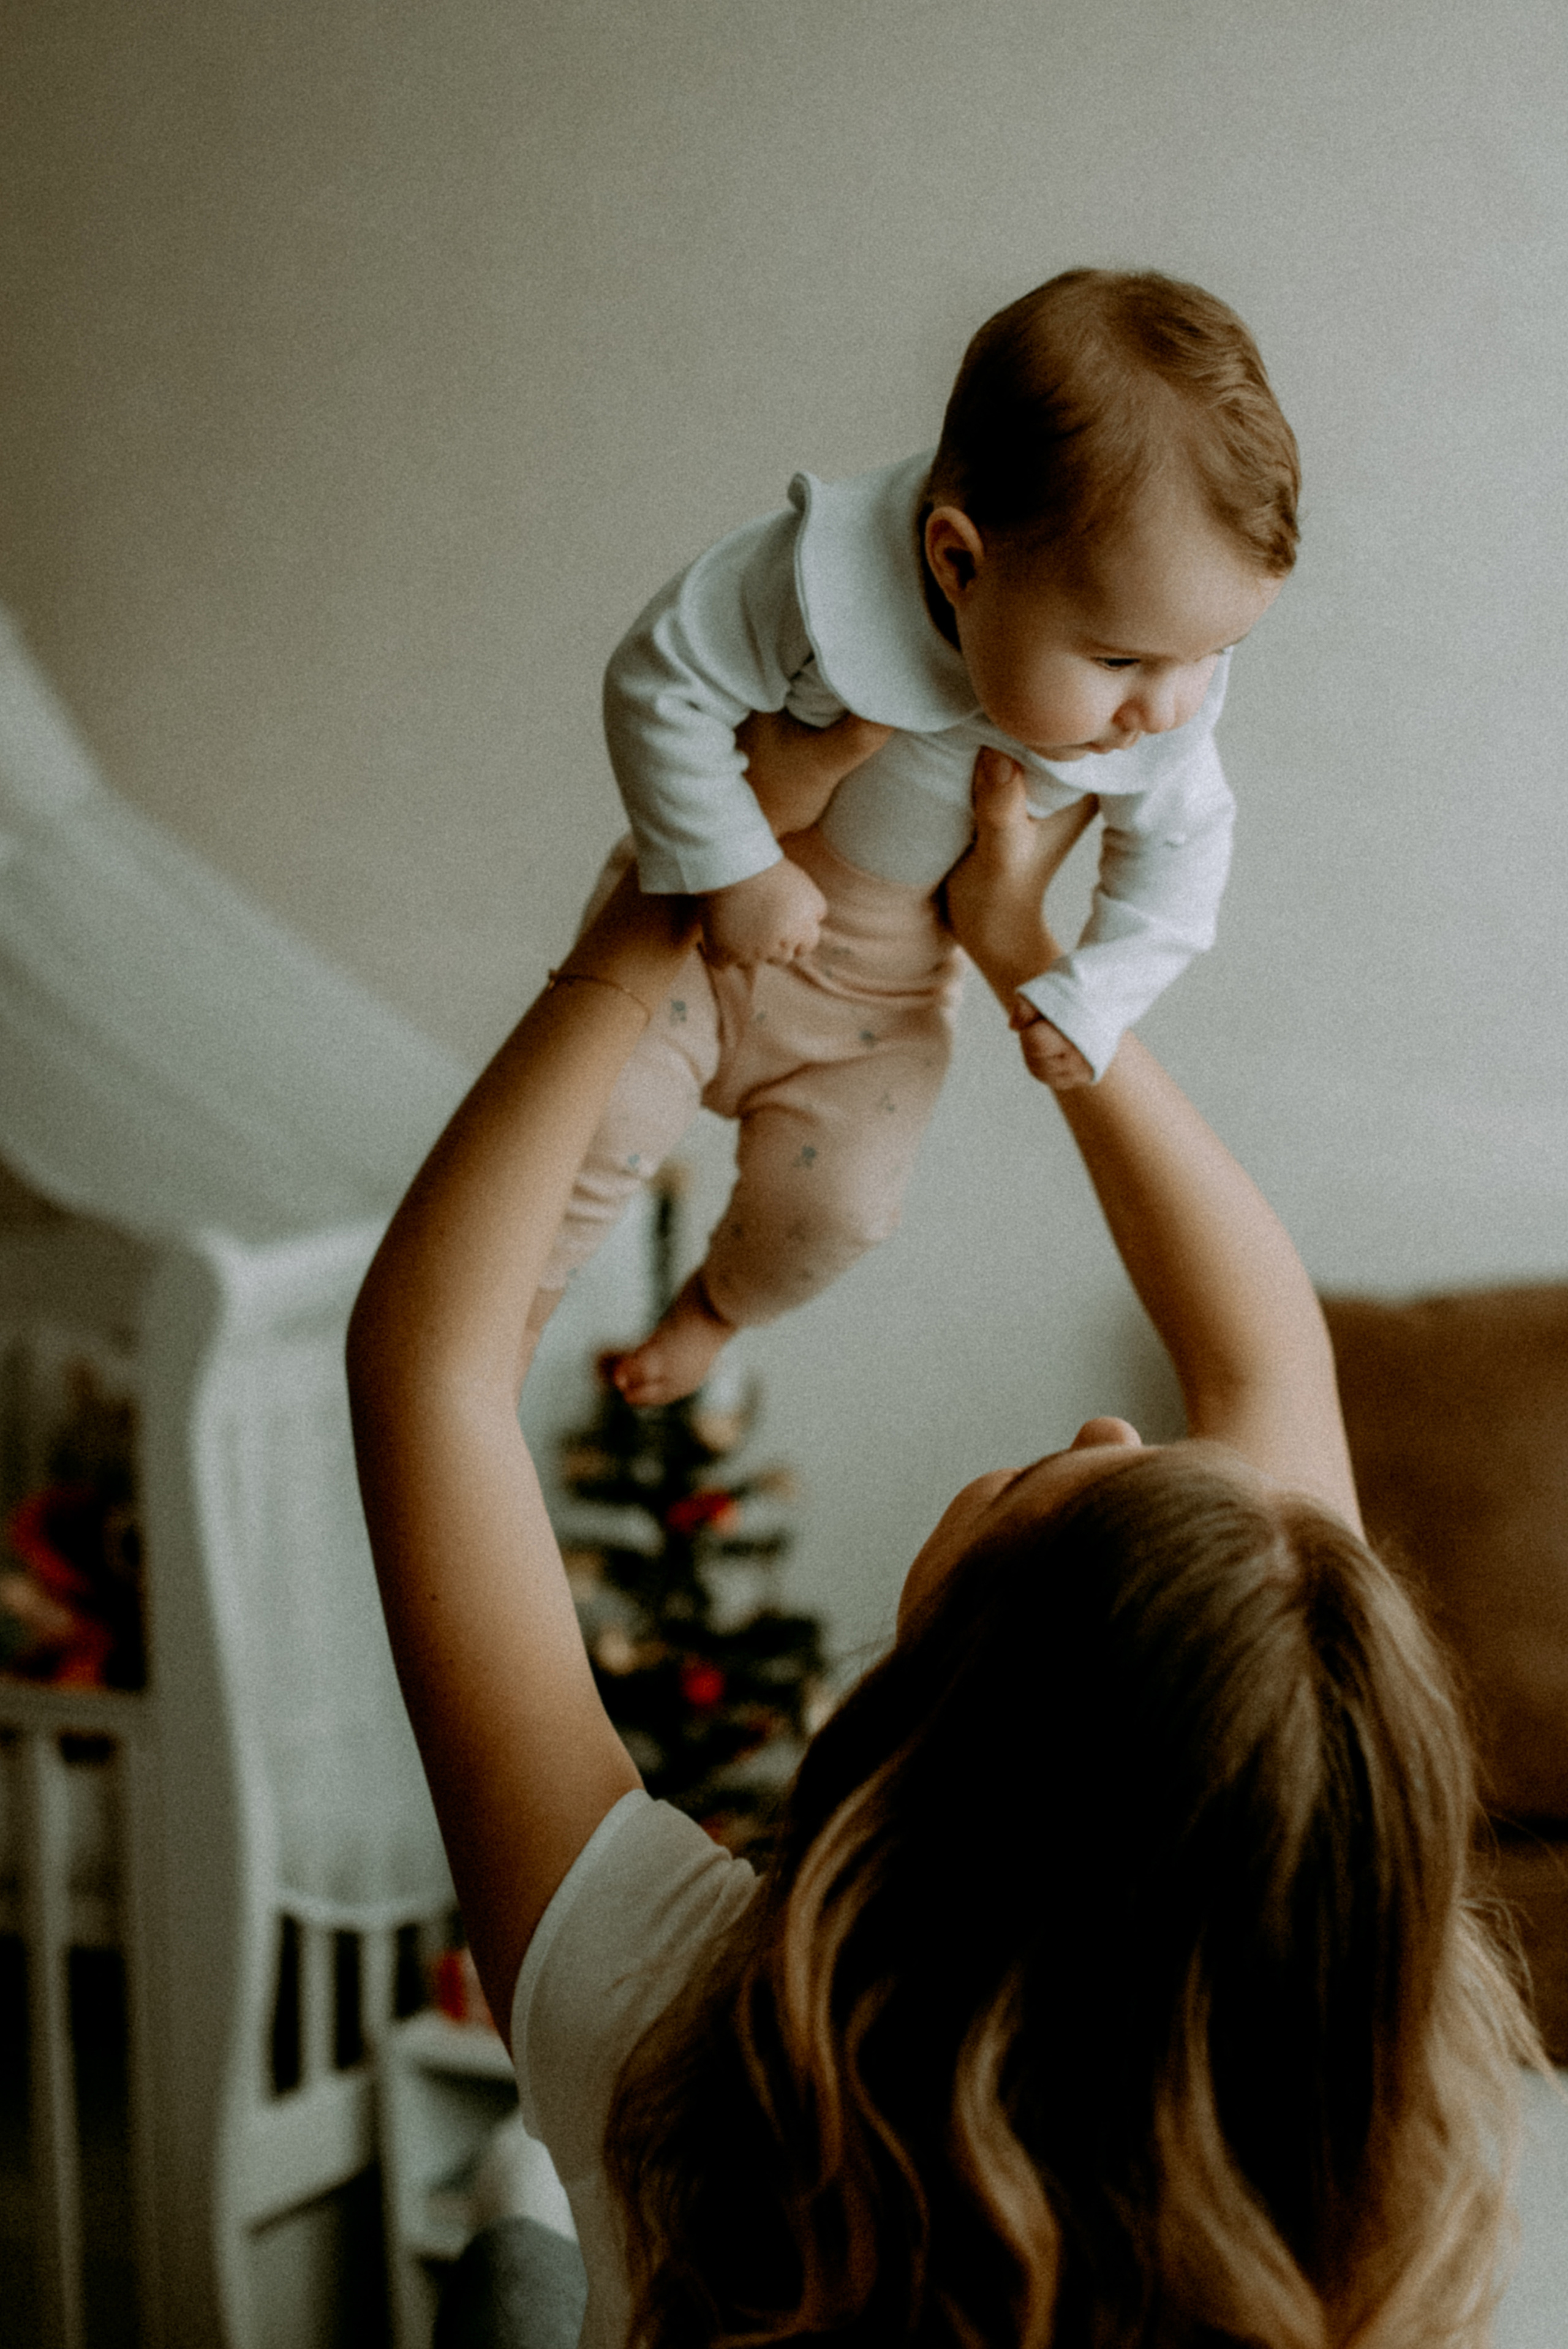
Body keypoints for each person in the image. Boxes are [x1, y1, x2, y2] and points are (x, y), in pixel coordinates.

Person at [349, 721, 1545, 2349]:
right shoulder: (1354, 2145)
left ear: (972, 1730)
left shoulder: (683, 2036)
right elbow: (1266, 1355)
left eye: (1096, 1482)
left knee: (512, 2260)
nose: (1117, 1429)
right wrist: (1031, 956)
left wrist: (657, 917)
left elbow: (424, 1369)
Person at [529, 268, 1297, 1407]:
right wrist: (735, 862)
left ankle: (713, 1311)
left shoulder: (1159, 709)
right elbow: (659, 680)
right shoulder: (820, 587)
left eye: (1214, 656)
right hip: (700, 939)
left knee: (842, 1211)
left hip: (874, 1011)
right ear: (956, 561)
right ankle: (500, 1332)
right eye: (1125, 660)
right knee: (591, 1136)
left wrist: (1091, 992)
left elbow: (1183, 865)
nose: (1170, 707)